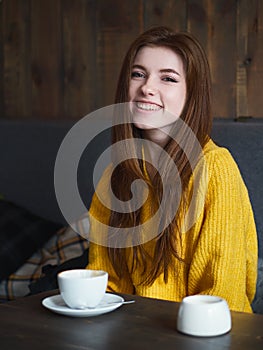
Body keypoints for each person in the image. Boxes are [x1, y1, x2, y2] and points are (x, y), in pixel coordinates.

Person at [86, 26, 258, 313]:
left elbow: (221, 296)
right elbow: (107, 285)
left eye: (168, 78)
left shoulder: (215, 167)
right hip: (133, 328)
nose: (147, 87)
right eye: (138, 74)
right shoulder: (115, 173)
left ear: (192, 94)